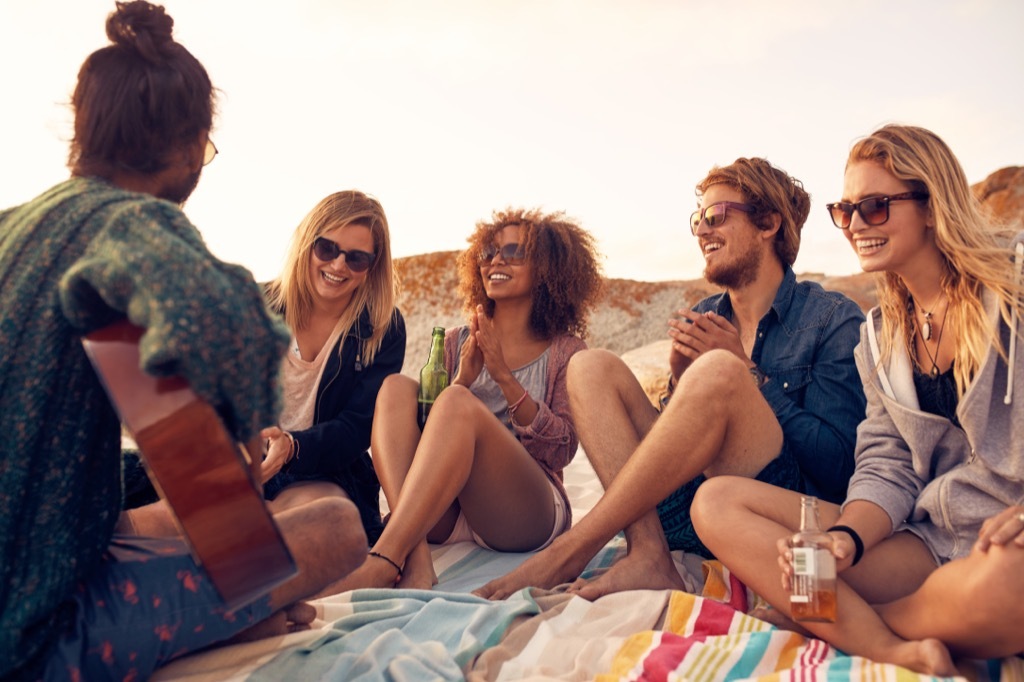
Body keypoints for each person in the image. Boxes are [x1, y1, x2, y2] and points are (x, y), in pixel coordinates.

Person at [0, 3, 365, 680]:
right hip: (29, 631)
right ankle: (234, 610)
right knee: (335, 526)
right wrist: (246, 420)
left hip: (32, 541)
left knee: (200, 496)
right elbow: (215, 325)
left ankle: (234, 597)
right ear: (189, 145)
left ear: (82, 129)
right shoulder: (133, 224)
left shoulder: (17, 228)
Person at [691, 125, 1024, 676]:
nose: (854, 227)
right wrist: (844, 540)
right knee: (719, 504)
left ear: (932, 204)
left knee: (1008, 586)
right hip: (924, 541)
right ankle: (891, 643)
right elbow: (886, 465)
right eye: (844, 211)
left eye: (874, 207)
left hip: (1004, 549)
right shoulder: (880, 336)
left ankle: (848, 622)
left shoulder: (1011, 287)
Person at [478, 158, 866, 600]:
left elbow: (839, 466)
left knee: (721, 371)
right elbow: (670, 452)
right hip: (689, 515)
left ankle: (571, 549)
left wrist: (747, 375)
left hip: (769, 515)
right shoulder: (704, 316)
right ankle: (647, 554)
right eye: (697, 219)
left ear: (769, 224)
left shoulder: (831, 318)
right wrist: (681, 387)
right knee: (590, 366)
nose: (702, 230)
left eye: (716, 216)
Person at [326, 208, 603, 592]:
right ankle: (416, 556)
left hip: (524, 514)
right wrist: (464, 378)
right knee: (395, 388)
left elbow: (561, 451)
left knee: (456, 402)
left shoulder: (565, 351)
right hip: (450, 510)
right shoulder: (457, 340)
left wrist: (503, 376)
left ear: (547, 268)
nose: (496, 261)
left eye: (514, 252)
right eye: (488, 252)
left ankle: (384, 558)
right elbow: (424, 437)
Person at [260, 190, 406, 545]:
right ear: (307, 244)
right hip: (249, 460)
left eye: (356, 258)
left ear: (373, 265)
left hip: (331, 472)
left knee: (322, 517)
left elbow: (356, 428)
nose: (338, 266)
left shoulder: (384, 327)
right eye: (327, 249)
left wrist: (293, 448)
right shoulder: (256, 306)